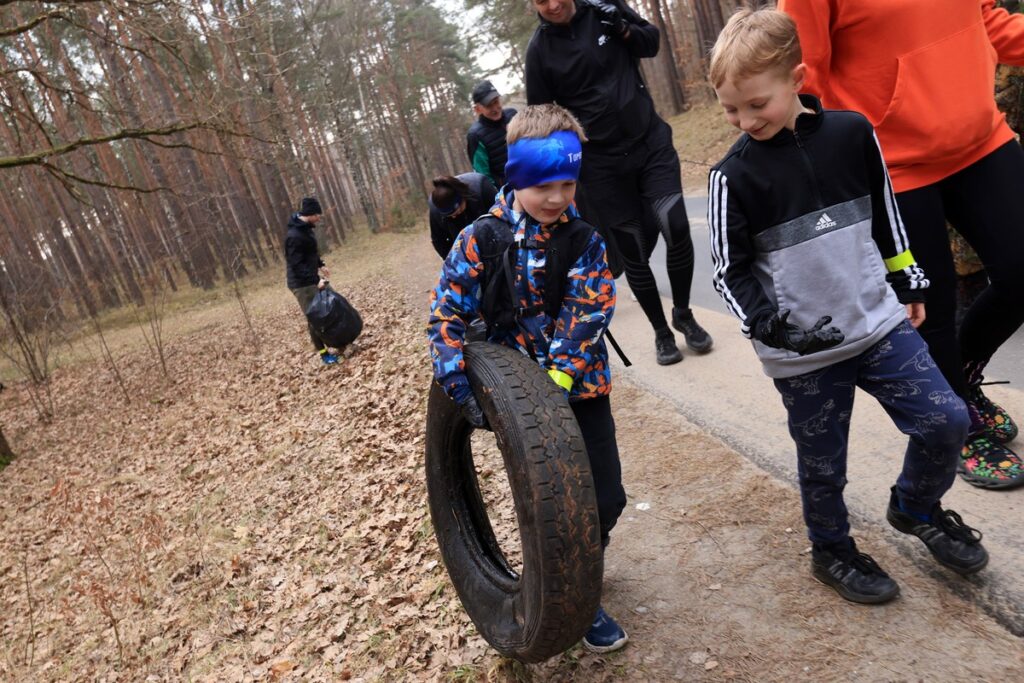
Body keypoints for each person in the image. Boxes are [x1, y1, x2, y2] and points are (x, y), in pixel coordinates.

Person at [707, 8, 988, 604]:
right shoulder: (732, 176)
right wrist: (770, 327)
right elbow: (728, 272)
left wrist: (909, 282)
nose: (744, 119)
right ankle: (831, 549)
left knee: (948, 419)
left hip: (879, 323)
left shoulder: (853, 133)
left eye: (757, 103)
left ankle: (915, 506)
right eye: (732, 109)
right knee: (823, 463)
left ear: (799, 78)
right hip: (803, 354)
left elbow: (886, 216)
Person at [777, 1, 1024, 488]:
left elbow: (982, 19)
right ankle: (954, 420)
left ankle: (965, 377)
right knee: (928, 302)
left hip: (982, 137)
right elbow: (804, 78)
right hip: (893, 160)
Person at [428, 104, 629, 651]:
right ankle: (577, 603)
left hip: (579, 390)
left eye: (568, 183)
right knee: (547, 503)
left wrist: (560, 381)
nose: (558, 197)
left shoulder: (583, 239)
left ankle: (577, 575)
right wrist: (460, 388)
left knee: (604, 498)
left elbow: (589, 309)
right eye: (544, 185)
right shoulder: (480, 240)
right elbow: (446, 314)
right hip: (513, 400)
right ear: (516, 176)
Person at [525, 0, 712, 365]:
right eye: (540, 0)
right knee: (633, 250)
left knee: (674, 226)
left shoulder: (603, 7)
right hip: (602, 165)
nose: (553, 4)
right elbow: (540, 118)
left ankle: (684, 314)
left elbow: (651, 43)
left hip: (649, 141)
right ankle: (661, 332)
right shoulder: (540, 51)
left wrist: (624, 29)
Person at [285, 197, 337, 365]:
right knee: (314, 317)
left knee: (333, 303)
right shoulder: (293, 235)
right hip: (302, 285)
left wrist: (321, 264)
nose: (319, 217)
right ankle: (324, 354)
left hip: (310, 278)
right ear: (309, 214)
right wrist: (316, 281)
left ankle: (340, 340)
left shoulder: (306, 229)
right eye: (317, 214)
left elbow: (310, 252)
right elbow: (296, 265)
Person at [428, 173, 498, 259]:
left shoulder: (482, 187)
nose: (454, 217)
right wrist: (455, 261)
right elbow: (438, 240)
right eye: (450, 216)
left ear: (462, 198)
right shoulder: (436, 209)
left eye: (457, 212)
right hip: (464, 246)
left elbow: (503, 216)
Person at [466, 80, 517, 188]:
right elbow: (483, 175)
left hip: (531, 176)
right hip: (507, 191)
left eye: (496, 102)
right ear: (477, 109)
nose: (495, 108)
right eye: (489, 105)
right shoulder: (475, 136)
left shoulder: (513, 115)